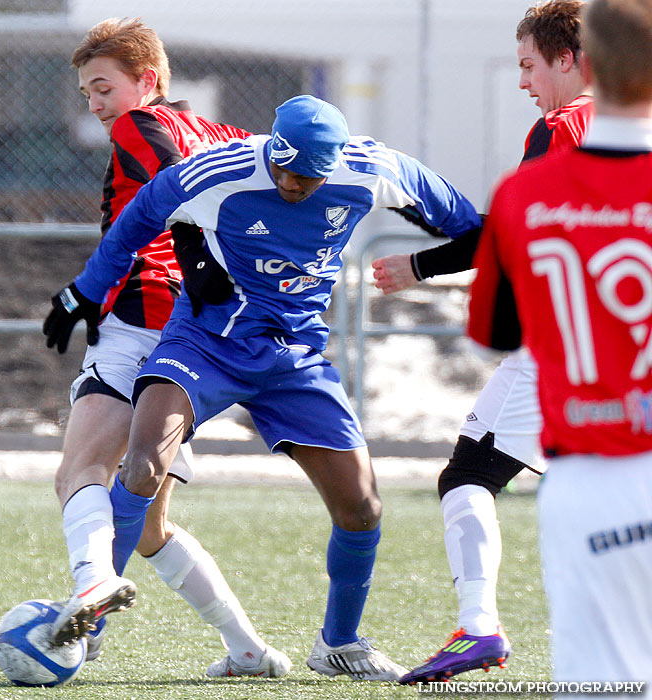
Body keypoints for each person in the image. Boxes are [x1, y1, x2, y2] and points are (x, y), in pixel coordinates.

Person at [43, 94, 483, 681]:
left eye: (305, 176)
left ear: (333, 165)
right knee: (144, 463)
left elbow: (476, 231)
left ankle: (339, 644)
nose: (289, 182)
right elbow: (133, 225)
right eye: (281, 167)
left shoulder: (378, 170)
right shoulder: (218, 171)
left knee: (361, 507)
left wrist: (422, 266)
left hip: (296, 358)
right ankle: (89, 619)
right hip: (205, 343)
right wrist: (86, 290)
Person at [42, 17, 292, 678]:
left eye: (103, 87)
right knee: (150, 528)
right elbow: (279, 177)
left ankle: (92, 585)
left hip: (141, 316)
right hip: (197, 337)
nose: (94, 104)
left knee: (78, 472)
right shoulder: (222, 131)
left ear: (146, 79)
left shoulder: (140, 126)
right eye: (87, 91)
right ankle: (248, 650)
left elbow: (175, 186)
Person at [372, 1, 594, 684]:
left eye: (529, 64)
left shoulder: (562, 128)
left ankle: (480, 630)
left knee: (472, 476)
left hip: (568, 341)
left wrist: (419, 265)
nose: (525, 81)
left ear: (568, 59)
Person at [467, 0, 652, 690]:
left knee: (601, 680)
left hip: (592, 474)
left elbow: (496, 329)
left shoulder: (532, 188)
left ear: (585, 63)